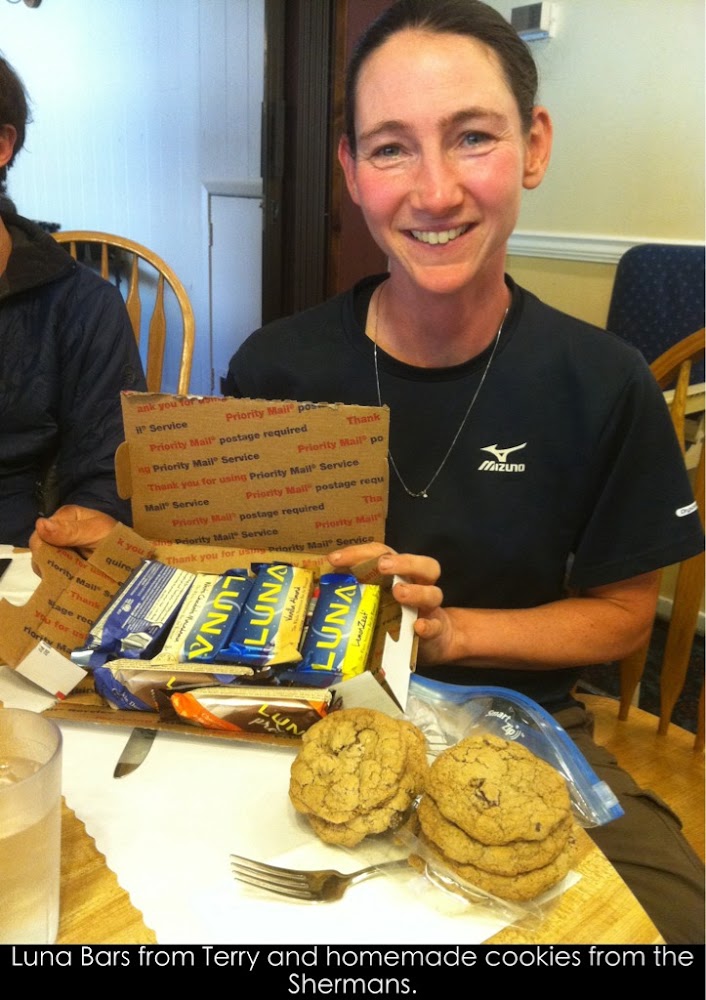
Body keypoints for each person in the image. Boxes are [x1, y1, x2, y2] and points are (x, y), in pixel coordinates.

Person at [224, 0, 705, 943]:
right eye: (391, 148)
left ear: (534, 146)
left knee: (677, 925)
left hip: (520, 728)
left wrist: (451, 634)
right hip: (299, 713)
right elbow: (232, 573)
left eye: (472, 137)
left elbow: (619, 615)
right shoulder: (275, 366)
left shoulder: (603, 383)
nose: (434, 191)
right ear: (351, 171)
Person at [0, 54, 146, 553]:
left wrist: (85, 517)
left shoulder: (83, 309)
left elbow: (108, 476)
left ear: (2, 145)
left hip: (25, 556)